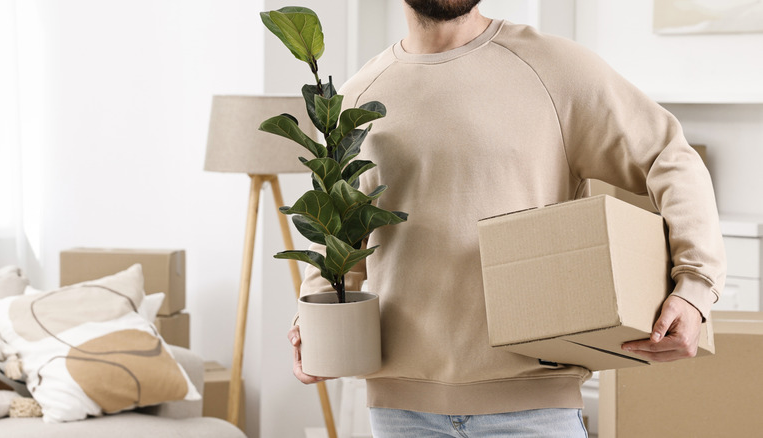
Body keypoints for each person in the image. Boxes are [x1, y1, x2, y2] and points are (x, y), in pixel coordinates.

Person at [288, 1, 726, 436]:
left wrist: (695, 287)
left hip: (534, 410)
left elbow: (667, 156)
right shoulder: (356, 98)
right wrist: (314, 326)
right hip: (400, 414)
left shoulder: (555, 69)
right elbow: (333, 238)